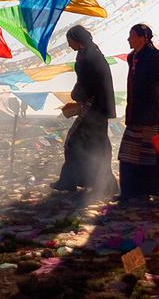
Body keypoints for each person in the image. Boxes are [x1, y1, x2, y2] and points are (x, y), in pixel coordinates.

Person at [51, 25, 118, 195]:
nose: (68, 45)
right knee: (93, 145)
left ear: (77, 40)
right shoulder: (89, 53)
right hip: (95, 107)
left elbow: (89, 83)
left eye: (70, 41)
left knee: (78, 143)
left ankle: (76, 181)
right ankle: (91, 181)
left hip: (94, 106)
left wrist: (76, 95)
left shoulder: (90, 56)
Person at [118, 23, 159, 204]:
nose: (128, 39)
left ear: (143, 38)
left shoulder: (155, 58)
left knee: (151, 156)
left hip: (153, 115)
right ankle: (131, 192)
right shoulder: (132, 58)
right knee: (129, 154)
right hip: (136, 114)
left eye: (132, 35)